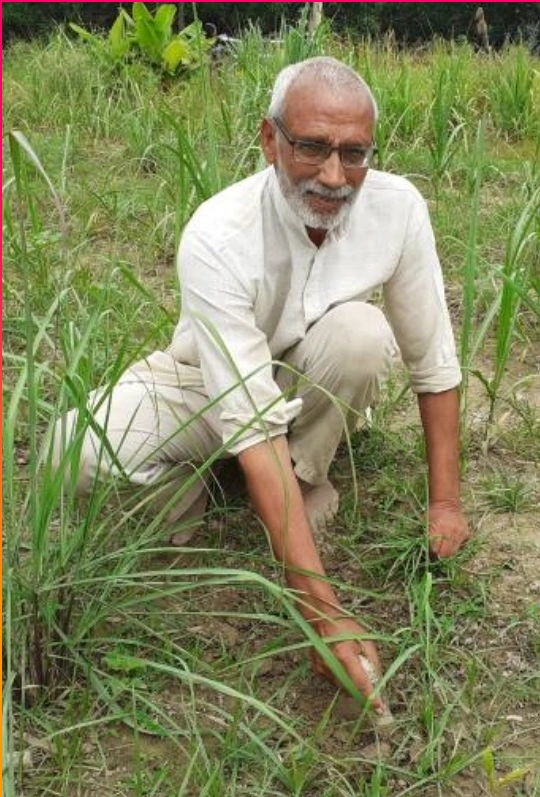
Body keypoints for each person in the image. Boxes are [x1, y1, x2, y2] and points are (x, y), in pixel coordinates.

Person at [55, 56, 469, 714]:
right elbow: (247, 418)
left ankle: (300, 481)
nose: (335, 176)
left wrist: (445, 503)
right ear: (270, 139)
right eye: (312, 147)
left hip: (305, 376)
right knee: (73, 453)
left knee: (364, 334)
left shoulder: (397, 209)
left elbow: (433, 359)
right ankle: (211, 489)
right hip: (205, 382)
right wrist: (322, 613)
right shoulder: (219, 234)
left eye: (354, 153)